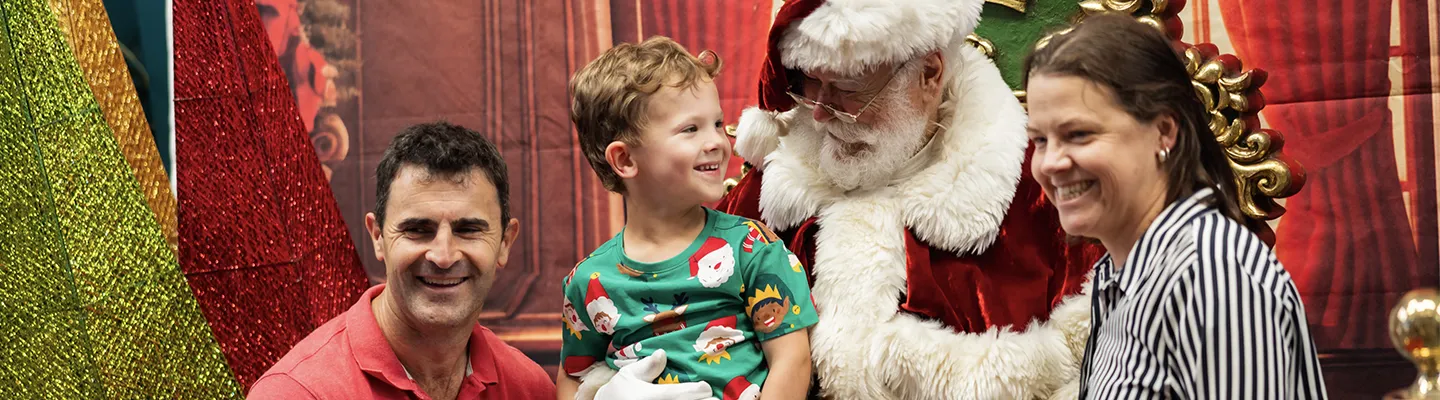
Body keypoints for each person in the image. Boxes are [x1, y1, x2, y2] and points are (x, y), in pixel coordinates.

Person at [584, 1, 1103, 399]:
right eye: (812, 85)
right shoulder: (768, 188)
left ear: (929, 74)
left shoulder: (1036, 197)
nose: (824, 113)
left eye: (850, 91)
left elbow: (1098, 362)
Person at [1023, 14, 1329, 399]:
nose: (1050, 163)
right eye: (1039, 140)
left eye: (1079, 134)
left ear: (1164, 131)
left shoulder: (1214, 278)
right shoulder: (1118, 277)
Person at [556, 36, 819, 400]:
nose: (716, 141)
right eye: (690, 129)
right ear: (626, 160)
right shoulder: (588, 281)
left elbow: (792, 359)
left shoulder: (750, 247)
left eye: (716, 123)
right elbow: (572, 377)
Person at [248, 122, 556, 400]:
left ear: (505, 242)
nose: (443, 256)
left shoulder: (531, 389)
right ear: (378, 237)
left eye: (468, 230)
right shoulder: (295, 392)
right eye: (418, 230)